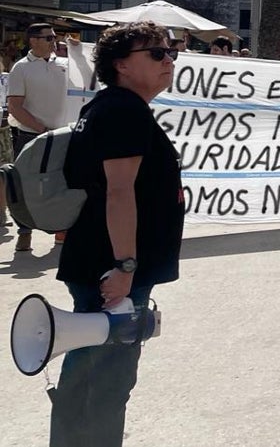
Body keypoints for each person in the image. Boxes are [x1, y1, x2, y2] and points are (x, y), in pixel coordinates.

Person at [51, 22, 184, 447]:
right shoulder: (124, 110)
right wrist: (125, 265)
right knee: (106, 377)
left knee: (90, 370)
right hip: (111, 267)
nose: (169, 61)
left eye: (171, 53)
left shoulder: (109, 106)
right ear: (122, 65)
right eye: (157, 54)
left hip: (99, 261)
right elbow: (119, 191)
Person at [6, 22, 69, 252]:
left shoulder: (65, 64)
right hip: (30, 134)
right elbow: (15, 106)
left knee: (64, 182)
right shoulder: (20, 68)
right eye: (49, 38)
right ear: (33, 41)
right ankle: (24, 230)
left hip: (62, 134)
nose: (54, 42)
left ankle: (62, 228)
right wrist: (40, 129)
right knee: (24, 185)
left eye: (54, 38)